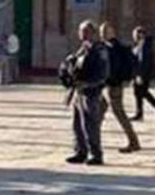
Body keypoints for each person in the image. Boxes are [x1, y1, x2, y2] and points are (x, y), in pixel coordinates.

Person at [61, 20, 110, 165]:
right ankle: (80, 152)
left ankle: (96, 154)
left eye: (84, 31)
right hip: (79, 92)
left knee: (90, 125)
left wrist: (89, 84)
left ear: (92, 33)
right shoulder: (83, 48)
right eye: (80, 31)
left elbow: (103, 74)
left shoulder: (99, 50)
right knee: (77, 125)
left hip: (91, 93)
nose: (81, 34)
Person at [102, 23, 142, 153]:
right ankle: (91, 141)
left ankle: (133, 141)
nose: (102, 34)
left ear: (111, 33)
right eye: (102, 32)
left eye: (105, 32)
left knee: (119, 113)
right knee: (98, 113)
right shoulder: (111, 46)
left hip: (113, 86)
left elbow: (112, 68)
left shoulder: (113, 48)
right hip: (108, 86)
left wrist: (111, 80)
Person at [130, 27, 155, 121]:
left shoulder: (147, 46)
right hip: (137, 74)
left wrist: (141, 75)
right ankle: (139, 114)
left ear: (141, 34)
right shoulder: (137, 45)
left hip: (144, 74)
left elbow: (145, 62)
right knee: (137, 93)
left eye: (136, 35)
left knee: (143, 92)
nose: (134, 37)